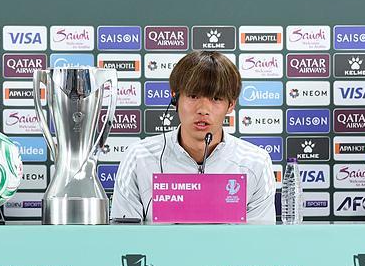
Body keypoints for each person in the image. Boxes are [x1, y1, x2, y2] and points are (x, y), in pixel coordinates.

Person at [110, 50, 276, 224]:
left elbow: (260, 237)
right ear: (175, 99)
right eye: (193, 96)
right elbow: (124, 235)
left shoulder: (255, 162)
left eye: (216, 98)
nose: (203, 110)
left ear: (231, 105)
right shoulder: (139, 157)